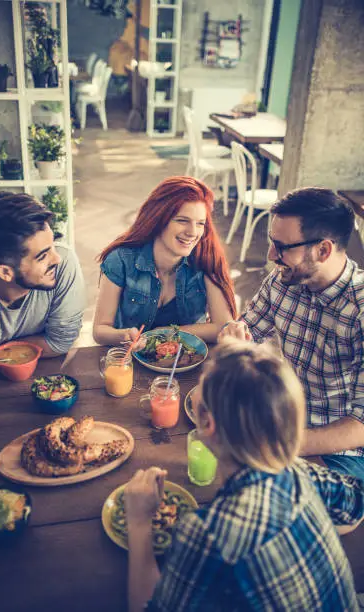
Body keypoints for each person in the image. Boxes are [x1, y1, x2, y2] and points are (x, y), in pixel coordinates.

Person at [125, 341, 364, 612]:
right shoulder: (302, 473)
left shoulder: (207, 534)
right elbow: (356, 505)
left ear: (207, 425)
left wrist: (139, 523)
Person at [219, 187, 364, 481]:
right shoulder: (285, 277)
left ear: (323, 250)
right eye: (273, 242)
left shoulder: (359, 308)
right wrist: (233, 338)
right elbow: (246, 331)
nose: (272, 255)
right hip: (275, 417)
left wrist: (275, 445)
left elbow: (360, 426)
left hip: (337, 452)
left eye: (282, 246)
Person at [93, 176, 237, 346]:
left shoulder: (206, 257)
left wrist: (165, 333)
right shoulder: (121, 259)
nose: (193, 232)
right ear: (158, 219)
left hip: (185, 362)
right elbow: (100, 330)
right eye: (182, 221)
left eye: (200, 223)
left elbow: (223, 328)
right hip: (130, 359)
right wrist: (125, 335)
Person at [0, 192, 85, 364]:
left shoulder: (64, 264)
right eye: (42, 256)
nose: (57, 259)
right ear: (5, 273)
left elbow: (59, 343)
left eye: (52, 245)